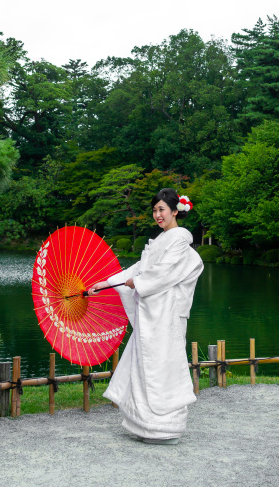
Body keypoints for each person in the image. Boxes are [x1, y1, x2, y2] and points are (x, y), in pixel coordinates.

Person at [88, 188, 203, 444]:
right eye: (154, 210)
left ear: (175, 211)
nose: (157, 215)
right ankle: (144, 426)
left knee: (163, 366)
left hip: (167, 316)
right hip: (152, 315)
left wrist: (137, 282)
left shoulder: (180, 242)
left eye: (162, 209)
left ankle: (166, 429)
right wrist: (104, 283)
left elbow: (162, 273)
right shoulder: (160, 240)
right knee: (144, 363)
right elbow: (139, 268)